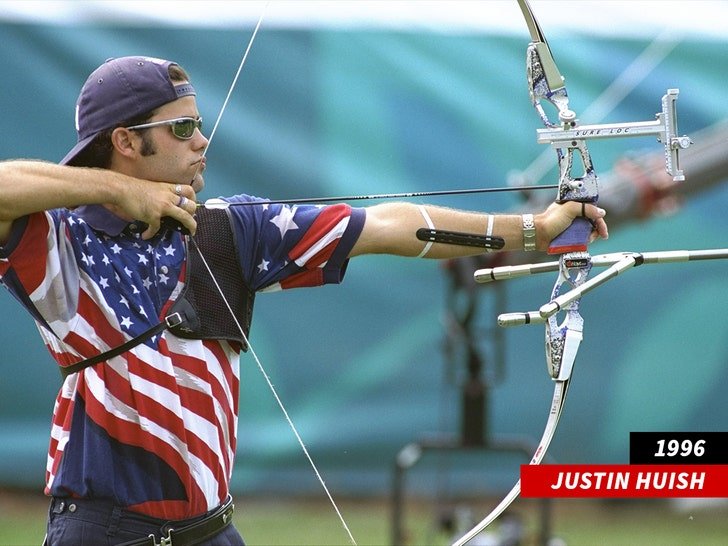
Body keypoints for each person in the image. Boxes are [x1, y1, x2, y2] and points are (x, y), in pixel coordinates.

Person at [0, 56, 607, 546]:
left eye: (198, 122)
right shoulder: (60, 244)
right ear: (126, 142)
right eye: (181, 128)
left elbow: (393, 226)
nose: (202, 140)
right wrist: (118, 191)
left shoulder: (228, 230)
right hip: (105, 530)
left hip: (211, 530)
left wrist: (534, 230)